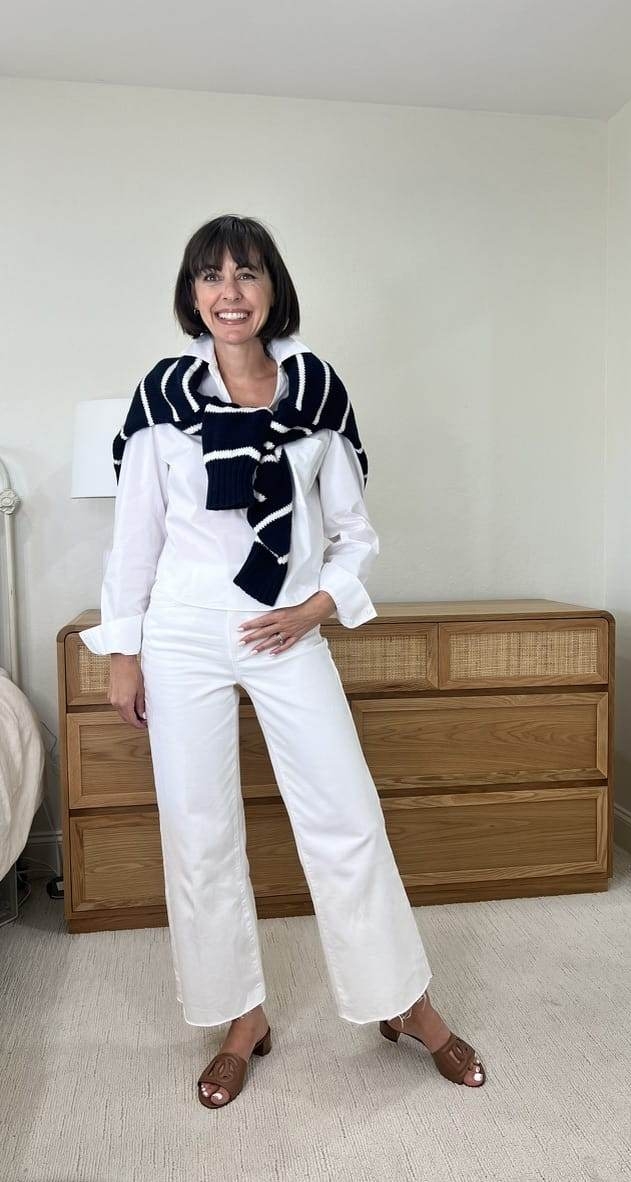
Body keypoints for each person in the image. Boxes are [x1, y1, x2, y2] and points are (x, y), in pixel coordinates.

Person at [79, 214, 486, 1107]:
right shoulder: (162, 396)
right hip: (184, 630)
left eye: (247, 273)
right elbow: (136, 535)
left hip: (287, 628)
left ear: (273, 289)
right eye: (211, 275)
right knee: (199, 831)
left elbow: (354, 532)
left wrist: (313, 608)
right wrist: (124, 652)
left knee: (347, 815)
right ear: (192, 294)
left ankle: (406, 1004)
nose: (230, 291)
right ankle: (241, 1018)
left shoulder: (318, 392)